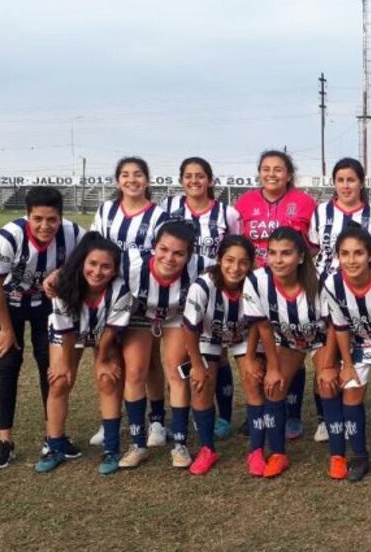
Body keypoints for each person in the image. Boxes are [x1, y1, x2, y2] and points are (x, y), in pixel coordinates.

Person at [0, 186, 84, 468]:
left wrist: (63, 272)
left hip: (45, 306)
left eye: (52, 219)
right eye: (38, 219)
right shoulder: (8, 237)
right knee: (8, 364)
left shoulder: (72, 233)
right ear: (28, 216)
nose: (45, 226)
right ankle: (4, 440)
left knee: (50, 367)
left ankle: (52, 437)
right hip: (7, 304)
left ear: (60, 218)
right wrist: (5, 329)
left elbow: (85, 259)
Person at [234, 150, 318, 442]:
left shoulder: (306, 203)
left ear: (289, 174)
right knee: (259, 348)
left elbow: (314, 244)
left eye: (278, 169)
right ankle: (259, 410)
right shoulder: (244, 203)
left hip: (293, 284)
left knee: (294, 341)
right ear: (259, 172)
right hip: (256, 284)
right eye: (266, 169)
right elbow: (235, 242)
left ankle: (292, 414)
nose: (272, 174)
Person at [35, 232, 131, 474]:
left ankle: (111, 449)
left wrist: (102, 359)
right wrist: (65, 365)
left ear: (115, 269)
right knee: (59, 382)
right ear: (82, 263)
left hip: (103, 336)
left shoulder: (121, 290)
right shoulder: (63, 285)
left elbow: (111, 329)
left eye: (106, 266)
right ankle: (54, 446)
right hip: (69, 335)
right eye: (93, 264)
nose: (98, 272)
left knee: (108, 379)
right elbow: (66, 331)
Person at [91, 157, 169, 449]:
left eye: (138, 175)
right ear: (117, 181)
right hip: (106, 297)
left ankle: (157, 420)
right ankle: (109, 420)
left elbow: (163, 256)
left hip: (142, 298)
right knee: (107, 358)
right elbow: (92, 247)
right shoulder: (106, 211)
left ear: (147, 180)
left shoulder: (159, 216)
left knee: (144, 364)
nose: (131, 180)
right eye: (125, 175)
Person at [162, 156, 242, 442]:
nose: (194, 181)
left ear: (210, 180)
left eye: (200, 176)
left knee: (217, 354)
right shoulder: (168, 208)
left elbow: (235, 248)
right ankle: (187, 412)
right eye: (188, 176)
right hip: (176, 291)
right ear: (181, 179)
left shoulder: (226, 213)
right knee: (181, 357)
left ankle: (223, 416)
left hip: (214, 292)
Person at [242, 227, 327, 478]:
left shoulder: (321, 279)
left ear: (301, 256)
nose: (278, 260)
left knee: (329, 383)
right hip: (288, 340)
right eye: (272, 253)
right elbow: (264, 326)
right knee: (274, 386)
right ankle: (278, 453)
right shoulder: (257, 280)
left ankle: (338, 453)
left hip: (321, 339)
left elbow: (334, 326)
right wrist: (274, 368)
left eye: (286, 253)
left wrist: (331, 364)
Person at [320, 226, 371, 483]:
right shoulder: (332, 284)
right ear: (338, 257)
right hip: (356, 344)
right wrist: (346, 364)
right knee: (351, 391)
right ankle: (360, 456)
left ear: (370, 256)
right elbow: (340, 326)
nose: (351, 260)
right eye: (345, 254)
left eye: (358, 253)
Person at [309, 157, 371, 443]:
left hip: (360, 295)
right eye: (341, 180)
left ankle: (349, 417)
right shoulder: (320, 212)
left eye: (352, 179)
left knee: (350, 353)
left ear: (361, 182)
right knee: (325, 359)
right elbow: (314, 248)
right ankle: (326, 418)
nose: (346, 185)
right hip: (324, 293)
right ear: (334, 183)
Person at [117, 221, 196, 470]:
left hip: (175, 316)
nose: (169, 258)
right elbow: (89, 259)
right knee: (135, 371)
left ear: (189, 255)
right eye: (163, 249)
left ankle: (180, 443)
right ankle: (138, 443)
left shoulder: (201, 267)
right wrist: (58, 276)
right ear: (153, 246)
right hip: (140, 314)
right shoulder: (130, 262)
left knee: (176, 371)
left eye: (178, 253)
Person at [181, 235, 256, 476]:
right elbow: (190, 327)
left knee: (255, 380)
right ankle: (207, 448)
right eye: (229, 260)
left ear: (251, 264)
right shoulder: (202, 286)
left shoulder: (254, 285)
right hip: (208, 337)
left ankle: (256, 450)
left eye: (243, 262)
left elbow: (257, 325)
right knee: (201, 383)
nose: (236, 268)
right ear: (219, 259)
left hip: (242, 336)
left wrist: (252, 358)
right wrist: (196, 365)